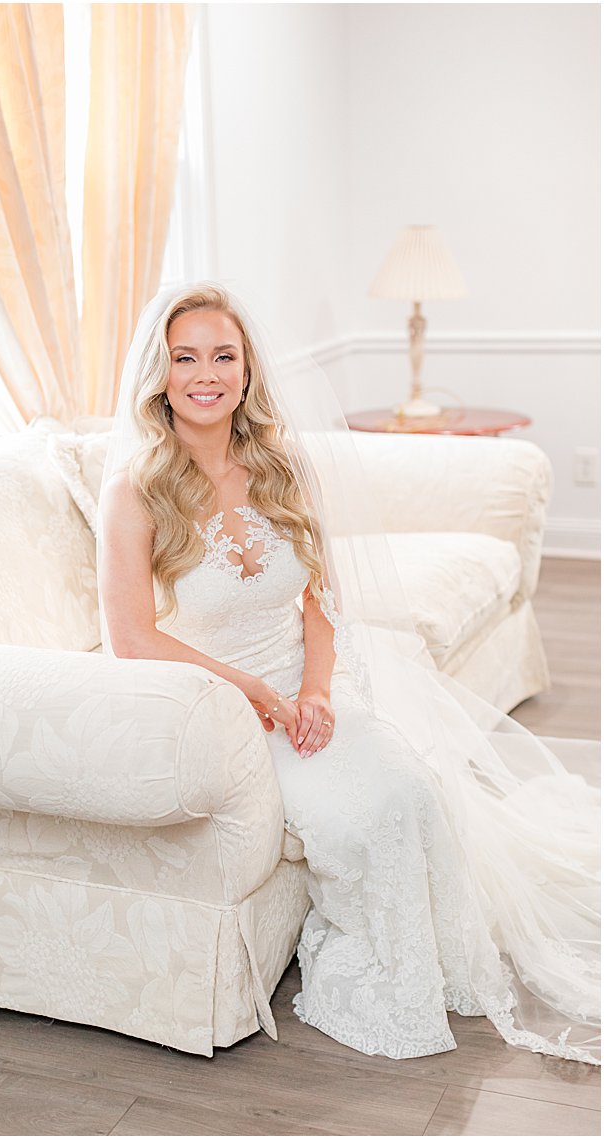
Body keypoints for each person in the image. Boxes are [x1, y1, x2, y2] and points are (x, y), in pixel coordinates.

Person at [97, 282, 600, 1064]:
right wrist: (260, 694)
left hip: (308, 691)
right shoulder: (135, 487)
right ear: (160, 374)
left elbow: (320, 601)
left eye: (223, 355)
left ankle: (428, 960)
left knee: (413, 789)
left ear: (246, 367)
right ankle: (382, 974)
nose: (206, 373)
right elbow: (129, 637)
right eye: (185, 357)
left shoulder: (282, 464)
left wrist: (318, 691)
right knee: (364, 817)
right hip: (218, 706)